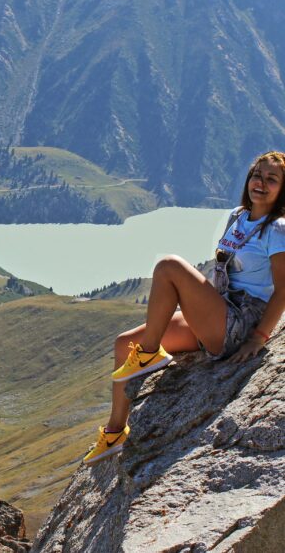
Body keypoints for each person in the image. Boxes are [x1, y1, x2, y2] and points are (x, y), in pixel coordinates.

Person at [83, 150, 285, 465]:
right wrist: (200, 301)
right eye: (257, 175)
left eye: (272, 179)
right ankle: (114, 433)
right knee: (123, 344)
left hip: (240, 321)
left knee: (169, 266)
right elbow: (222, 269)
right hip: (219, 310)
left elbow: (283, 288)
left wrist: (258, 337)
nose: (261, 183)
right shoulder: (237, 217)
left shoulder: (277, 229)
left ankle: (149, 355)